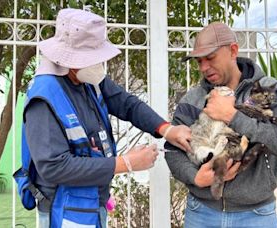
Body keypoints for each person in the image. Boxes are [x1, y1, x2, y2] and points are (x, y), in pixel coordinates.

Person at [14, 8, 192, 228]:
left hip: (91, 202)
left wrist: (166, 129)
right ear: (71, 59)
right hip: (63, 210)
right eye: (92, 58)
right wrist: (124, 163)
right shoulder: (44, 96)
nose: (99, 65)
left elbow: (127, 104)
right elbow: (53, 167)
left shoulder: (87, 79)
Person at [164, 22, 277, 227]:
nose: (204, 68)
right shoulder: (192, 99)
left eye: (210, 58)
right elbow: (173, 151)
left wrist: (232, 116)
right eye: (199, 61)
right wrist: (196, 178)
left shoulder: (268, 89)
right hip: (201, 213)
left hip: (256, 215)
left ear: (233, 51)